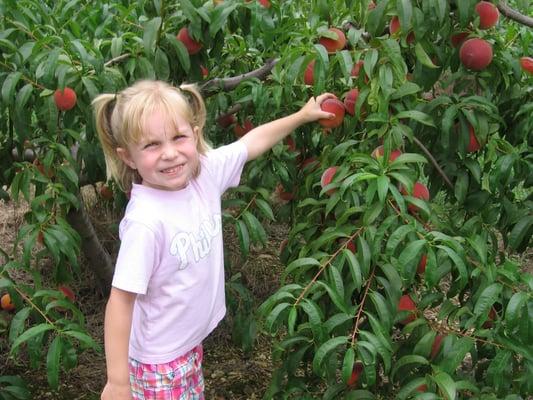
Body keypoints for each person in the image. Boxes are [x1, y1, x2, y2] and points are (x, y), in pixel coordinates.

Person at [92, 79, 334, 400]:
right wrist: (118, 381)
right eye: (151, 145)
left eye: (178, 137)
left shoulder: (203, 175)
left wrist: (302, 116)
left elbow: (252, 142)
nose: (169, 153)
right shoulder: (146, 222)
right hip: (159, 363)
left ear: (194, 135)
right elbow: (121, 302)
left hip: (188, 348)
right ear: (128, 157)